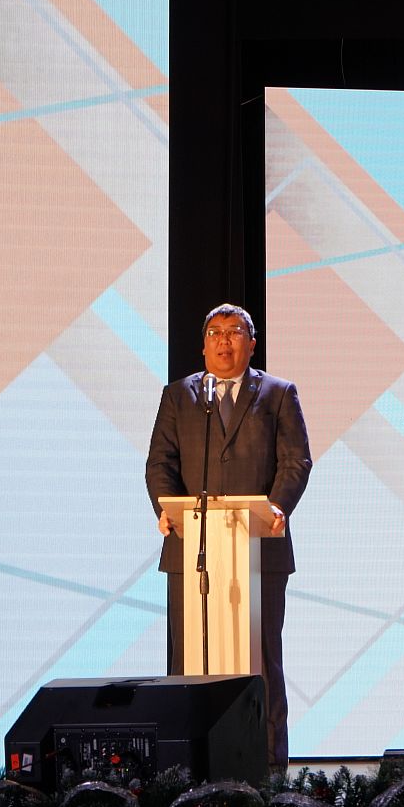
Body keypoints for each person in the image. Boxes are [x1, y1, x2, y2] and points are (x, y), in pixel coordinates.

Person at [145, 303, 312, 769]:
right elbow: (160, 463)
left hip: (260, 548)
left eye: (235, 331)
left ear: (251, 343)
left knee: (263, 658)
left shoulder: (278, 394)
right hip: (191, 547)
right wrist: (166, 508)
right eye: (215, 332)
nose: (224, 340)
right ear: (203, 345)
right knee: (188, 659)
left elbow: (296, 460)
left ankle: (270, 764)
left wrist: (277, 506)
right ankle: (184, 763)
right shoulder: (179, 396)